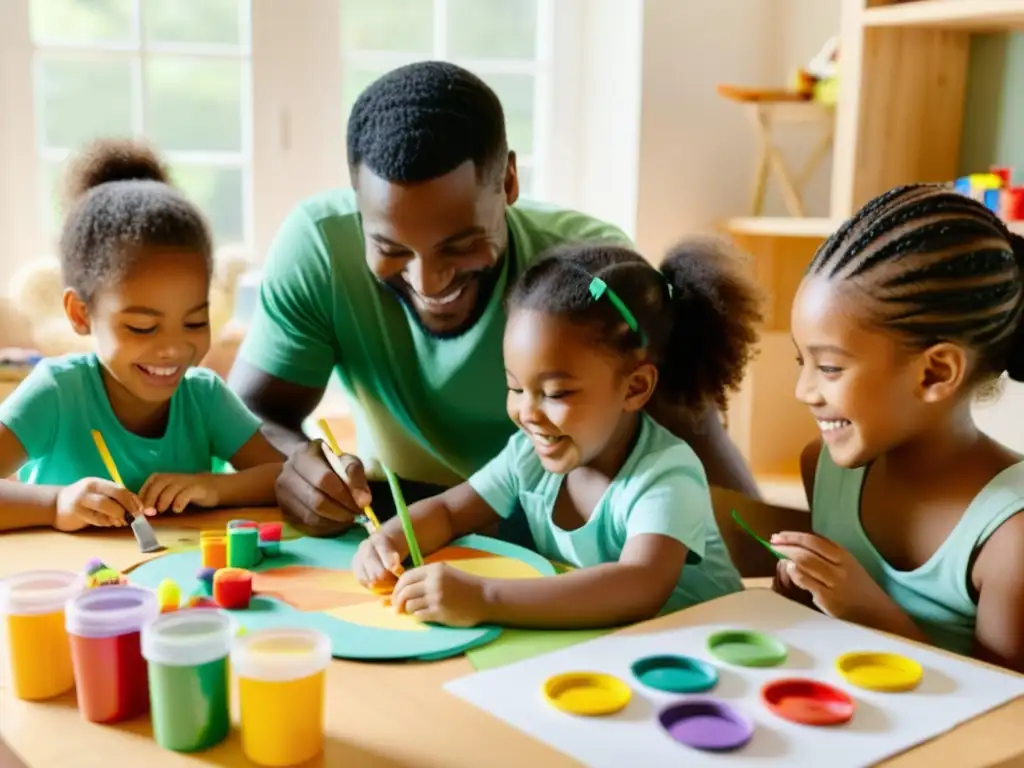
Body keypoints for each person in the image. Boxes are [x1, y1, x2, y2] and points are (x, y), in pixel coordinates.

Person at [228, 60, 760, 539]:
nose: (429, 281)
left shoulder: (587, 272)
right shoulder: (319, 246)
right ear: (358, 206)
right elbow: (253, 410)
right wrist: (296, 462)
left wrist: (773, 571)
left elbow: (693, 438)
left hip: (559, 523)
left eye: (459, 246)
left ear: (507, 180)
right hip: (397, 511)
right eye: (390, 249)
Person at [350, 239, 758, 628]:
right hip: (616, 647)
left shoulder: (666, 474)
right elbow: (449, 512)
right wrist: (389, 539)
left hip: (710, 651)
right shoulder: (527, 457)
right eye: (515, 387)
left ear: (634, 388)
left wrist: (485, 598)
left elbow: (640, 584)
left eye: (556, 393)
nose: (527, 412)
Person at [772, 183, 1024, 673]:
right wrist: (796, 589)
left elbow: (1007, 717)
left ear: (935, 374)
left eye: (829, 368)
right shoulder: (823, 468)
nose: (805, 391)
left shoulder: (1010, 539)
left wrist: (872, 615)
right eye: (803, 361)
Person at [0, 139, 284, 533]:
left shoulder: (203, 397)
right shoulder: (58, 393)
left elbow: (284, 478)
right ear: (81, 314)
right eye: (142, 327)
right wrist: (55, 503)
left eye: (195, 322)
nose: (172, 348)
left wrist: (214, 487)